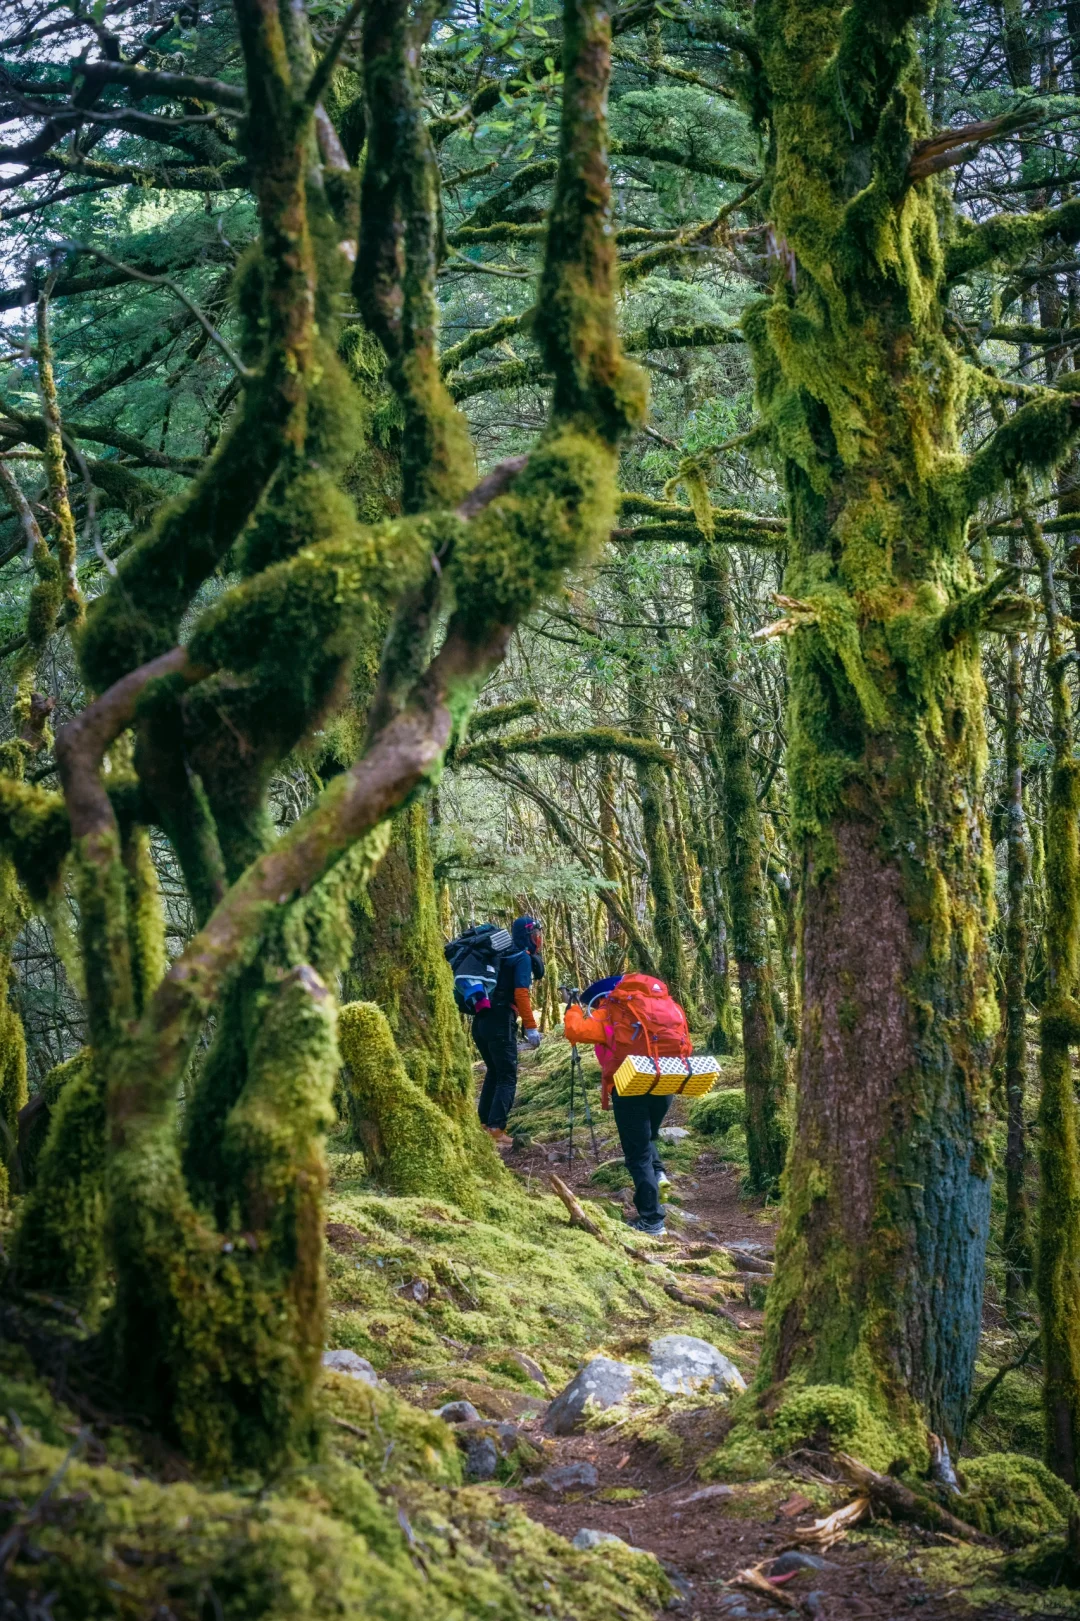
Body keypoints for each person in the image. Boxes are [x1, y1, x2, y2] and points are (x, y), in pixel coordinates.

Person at [563, 973, 690, 1236]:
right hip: (665, 1080)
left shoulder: (611, 1013)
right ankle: (659, 1174)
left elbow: (574, 1031)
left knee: (637, 1153)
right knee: (646, 1138)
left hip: (630, 1084)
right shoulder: (667, 1007)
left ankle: (652, 1220)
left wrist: (573, 1009)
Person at [473, 915, 544, 1146]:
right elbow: (521, 994)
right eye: (535, 934)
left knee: (494, 1071)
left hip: (481, 1021)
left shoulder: (499, 955)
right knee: (507, 1076)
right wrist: (531, 1027)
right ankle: (496, 1128)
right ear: (527, 935)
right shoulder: (520, 959)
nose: (538, 939)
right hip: (500, 1021)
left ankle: (483, 1123)